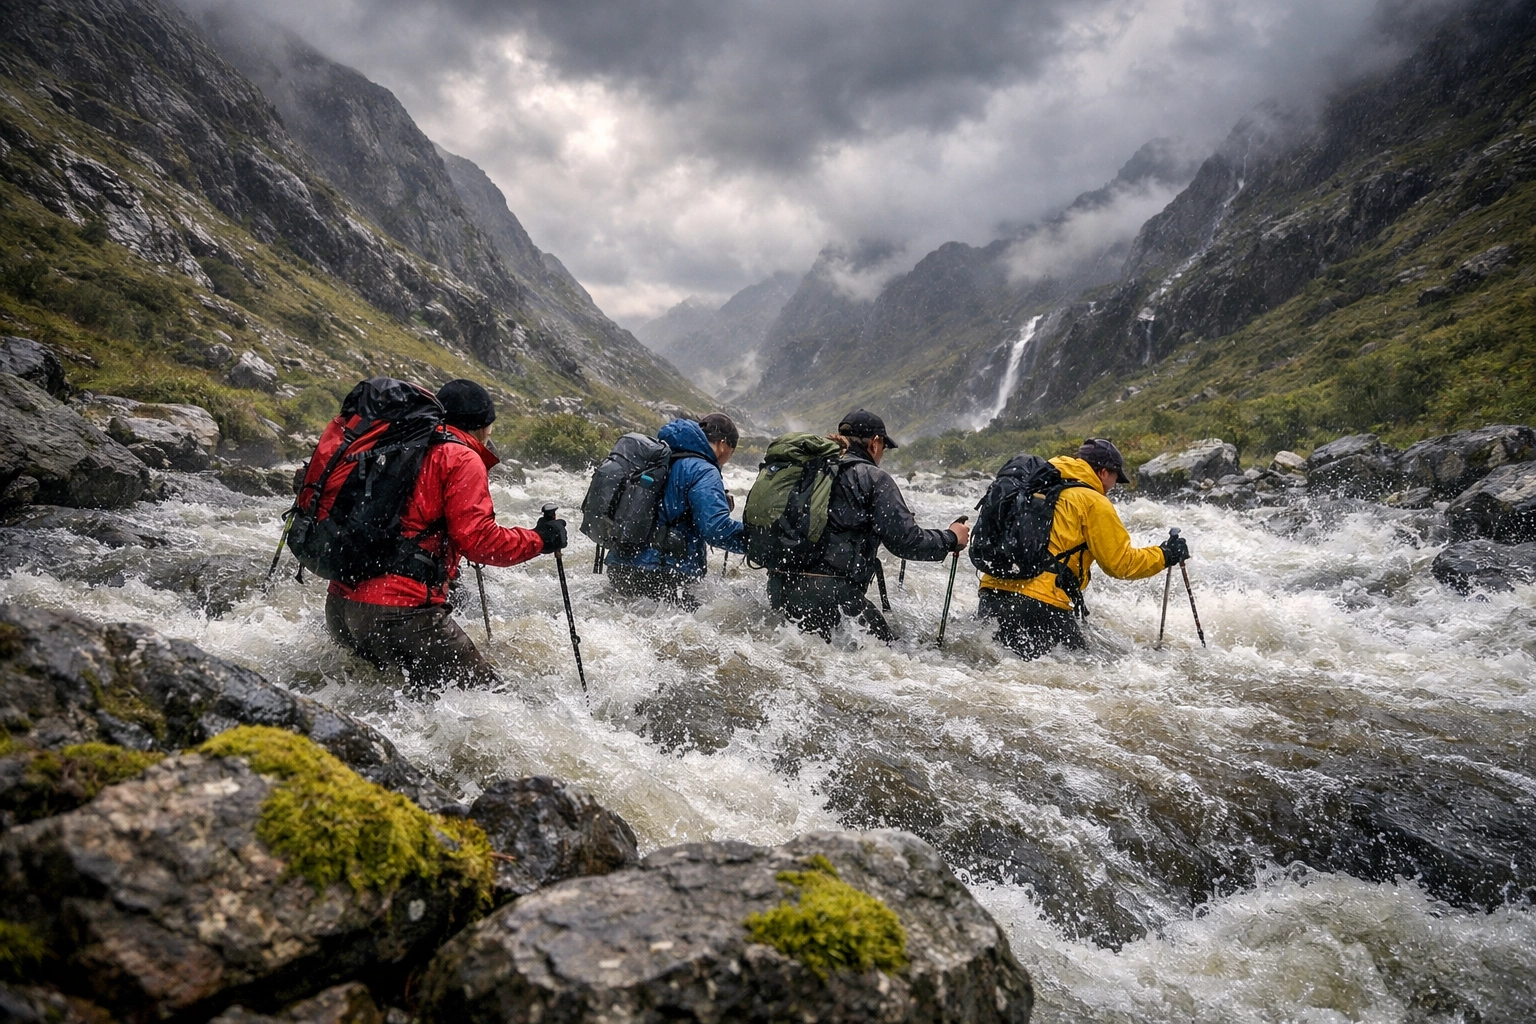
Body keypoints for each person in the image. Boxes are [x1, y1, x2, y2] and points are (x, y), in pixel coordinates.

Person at [323, 378, 567, 687]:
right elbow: (479, 542)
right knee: (488, 698)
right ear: (481, 425)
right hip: (399, 613)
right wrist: (541, 539)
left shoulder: (396, 443)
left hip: (341, 606)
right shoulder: (460, 456)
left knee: (379, 701)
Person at [768, 409, 969, 642]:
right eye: (883, 447)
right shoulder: (873, 478)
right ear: (875, 443)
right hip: (831, 594)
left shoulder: (810, 468)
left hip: (780, 586)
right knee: (890, 654)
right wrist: (951, 538)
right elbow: (906, 542)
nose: (882, 454)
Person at [977, 437, 1186, 660]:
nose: (1113, 486)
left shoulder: (1036, 485)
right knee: (1092, 673)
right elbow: (1121, 564)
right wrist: (1165, 554)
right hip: (1040, 605)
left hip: (992, 594)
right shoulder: (1093, 501)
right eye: (1115, 478)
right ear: (1104, 472)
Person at [606, 413, 745, 608]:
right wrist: (757, 541)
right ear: (724, 444)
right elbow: (715, 529)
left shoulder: (659, 456)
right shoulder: (704, 469)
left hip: (621, 564)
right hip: (663, 572)